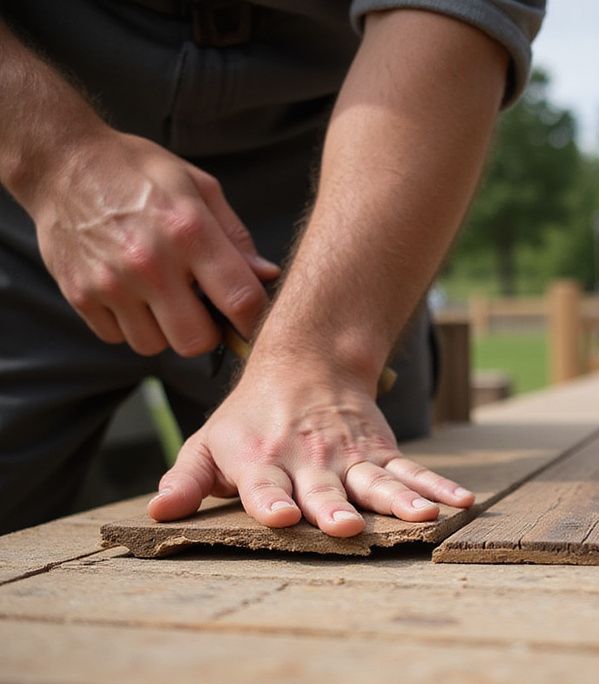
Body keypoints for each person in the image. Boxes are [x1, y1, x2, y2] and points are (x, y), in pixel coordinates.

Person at [0, 0, 545, 536]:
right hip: (23, 180)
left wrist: (324, 357)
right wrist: (57, 161)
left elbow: (452, 12)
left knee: (368, 531)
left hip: (341, 203)